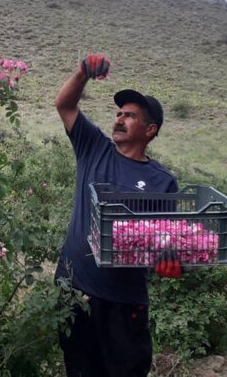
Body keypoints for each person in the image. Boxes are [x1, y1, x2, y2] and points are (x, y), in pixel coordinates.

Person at [54, 53, 179, 377]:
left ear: (150, 130)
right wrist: (83, 72)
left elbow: (165, 241)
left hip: (123, 303)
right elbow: (65, 105)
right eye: (119, 113)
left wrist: (169, 263)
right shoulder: (93, 146)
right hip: (75, 290)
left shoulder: (162, 181)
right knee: (78, 369)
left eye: (130, 116)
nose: (119, 119)